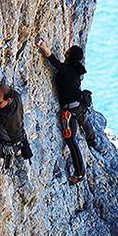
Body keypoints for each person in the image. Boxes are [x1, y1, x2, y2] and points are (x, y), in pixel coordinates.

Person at [36, 37, 97, 185]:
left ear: (69, 55)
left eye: (68, 51)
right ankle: (92, 140)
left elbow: (53, 61)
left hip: (71, 110)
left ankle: (80, 173)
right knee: (85, 122)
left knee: (71, 141)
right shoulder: (76, 70)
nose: (66, 50)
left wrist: (44, 46)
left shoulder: (67, 69)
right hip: (80, 107)